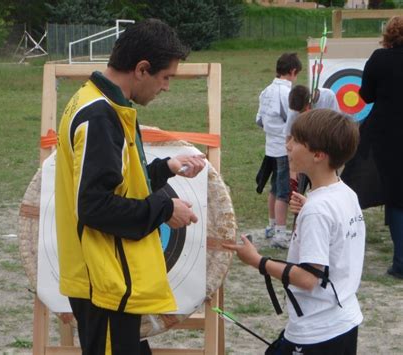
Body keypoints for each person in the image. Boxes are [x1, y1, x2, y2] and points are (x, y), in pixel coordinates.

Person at [55, 19, 206, 355]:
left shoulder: (98, 102)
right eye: (165, 77)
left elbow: (116, 181)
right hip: (105, 284)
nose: (166, 87)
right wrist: (165, 208)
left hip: (109, 281)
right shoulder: (100, 116)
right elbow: (95, 206)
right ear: (141, 69)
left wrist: (165, 168)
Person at [226, 109, 364, 354]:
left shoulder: (318, 209)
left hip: (317, 332)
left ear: (319, 155)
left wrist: (257, 261)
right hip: (343, 321)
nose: (287, 145)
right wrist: (310, 207)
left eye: (296, 141)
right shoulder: (345, 193)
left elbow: (308, 278)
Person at [359, 16, 403, 280]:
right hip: (389, 135)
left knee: (397, 196)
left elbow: (367, 95)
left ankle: (401, 263)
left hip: (388, 137)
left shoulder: (379, 58)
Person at [255, 53, 302, 248]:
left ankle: (272, 226)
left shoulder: (266, 91)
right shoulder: (287, 93)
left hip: (271, 148)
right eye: (297, 74)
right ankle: (280, 234)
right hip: (284, 149)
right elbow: (292, 122)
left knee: (275, 187)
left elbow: (259, 120)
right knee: (283, 191)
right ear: (292, 72)